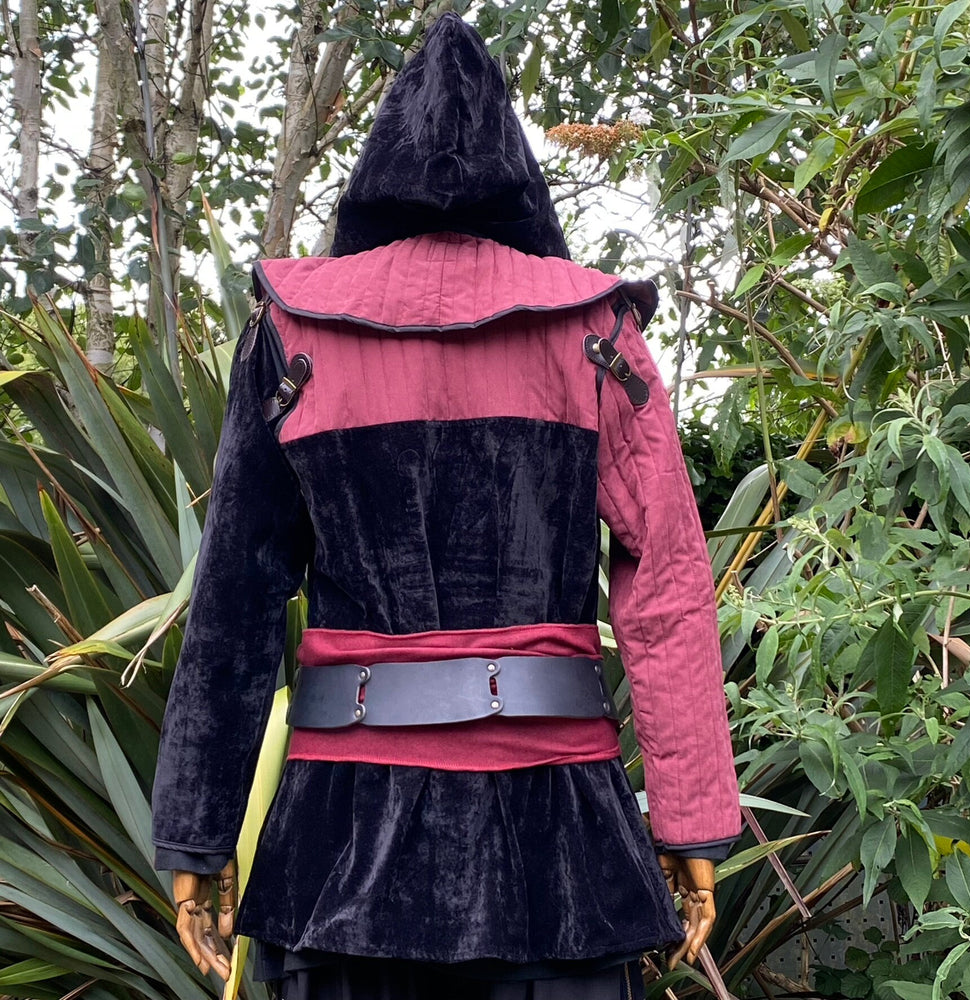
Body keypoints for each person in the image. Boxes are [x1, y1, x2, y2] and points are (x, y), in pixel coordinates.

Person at [151, 13, 741, 1000]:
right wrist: (689, 822)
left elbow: (235, 600)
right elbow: (667, 580)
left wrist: (199, 832)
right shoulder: (595, 332)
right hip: (559, 848)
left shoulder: (296, 336)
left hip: (342, 849)